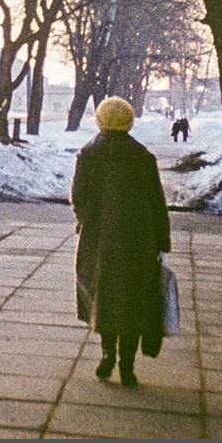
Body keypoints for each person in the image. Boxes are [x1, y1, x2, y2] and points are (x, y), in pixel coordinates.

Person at [72, 95, 171, 388]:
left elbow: (79, 198)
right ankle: (127, 365)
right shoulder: (142, 156)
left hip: (100, 240)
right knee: (134, 299)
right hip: (139, 239)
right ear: (129, 120)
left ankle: (107, 354)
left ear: (100, 119)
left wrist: (88, 221)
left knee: (105, 297)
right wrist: (162, 239)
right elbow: (157, 201)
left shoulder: (88, 154)